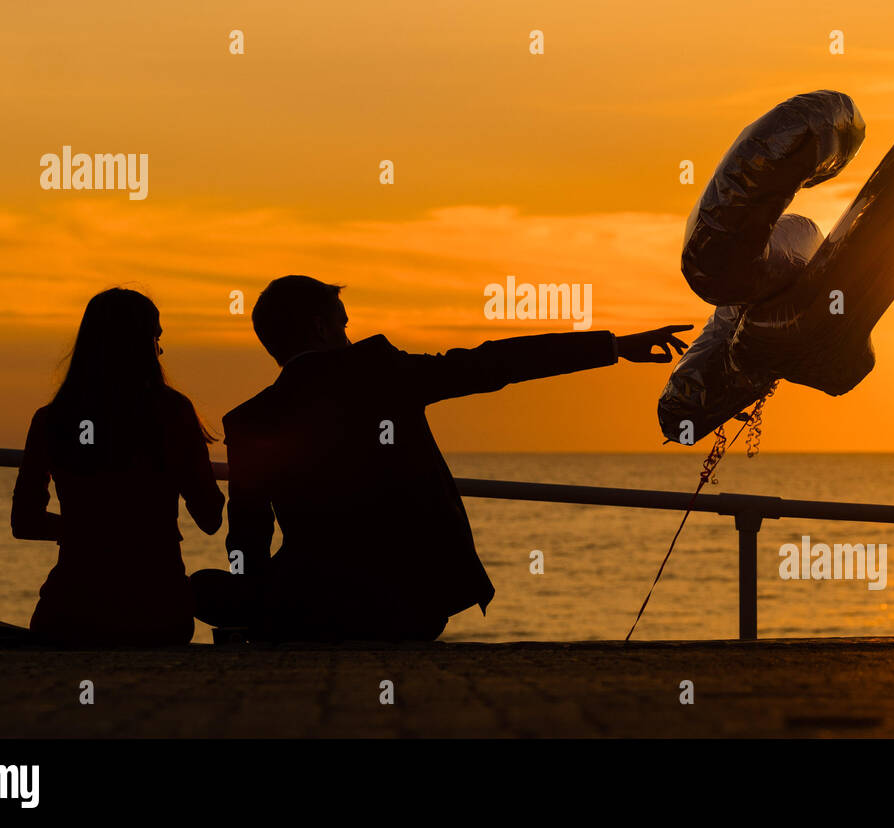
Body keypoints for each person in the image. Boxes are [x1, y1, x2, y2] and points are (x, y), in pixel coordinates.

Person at [192, 275, 691, 642]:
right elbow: (495, 363)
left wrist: (254, 602)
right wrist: (615, 346)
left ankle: (273, 616)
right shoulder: (381, 373)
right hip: (411, 602)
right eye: (344, 327)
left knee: (205, 589)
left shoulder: (250, 419)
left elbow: (248, 532)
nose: (349, 335)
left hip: (317, 596)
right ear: (323, 329)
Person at [11, 288, 225, 645]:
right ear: (145, 344)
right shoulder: (172, 412)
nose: (161, 348)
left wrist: (86, 529)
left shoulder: (52, 419)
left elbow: (24, 521)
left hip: (69, 610)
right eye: (157, 337)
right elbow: (210, 517)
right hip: (157, 609)